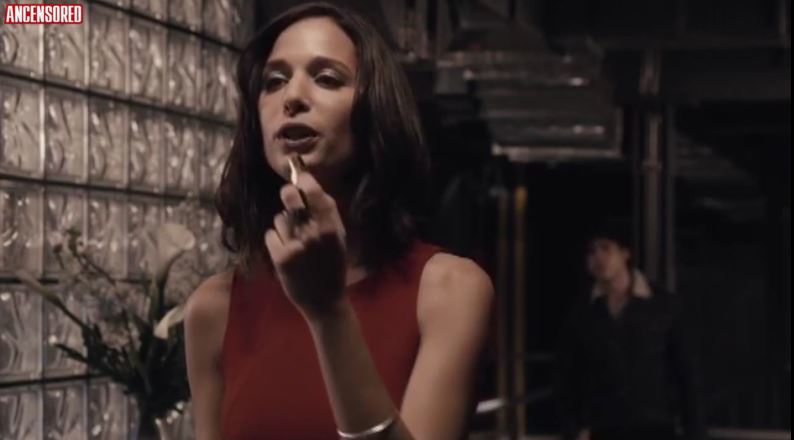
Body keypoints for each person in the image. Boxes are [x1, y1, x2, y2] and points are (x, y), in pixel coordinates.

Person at [183, 3, 494, 439]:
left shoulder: (449, 290)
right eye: (274, 81)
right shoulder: (214, 308)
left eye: (327, 78)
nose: (292, 97)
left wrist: (328, 312)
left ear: (374, 110)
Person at [556, 220, 705, 440]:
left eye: (606, 248)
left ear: (625, 253)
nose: (598, 257)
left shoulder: (663, 306)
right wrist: (573, 428)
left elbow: (686, 373)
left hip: (655, 427)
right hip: (603, 427)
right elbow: (567, 377)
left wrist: (694, 431)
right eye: (592, 251)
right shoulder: (582, 313)